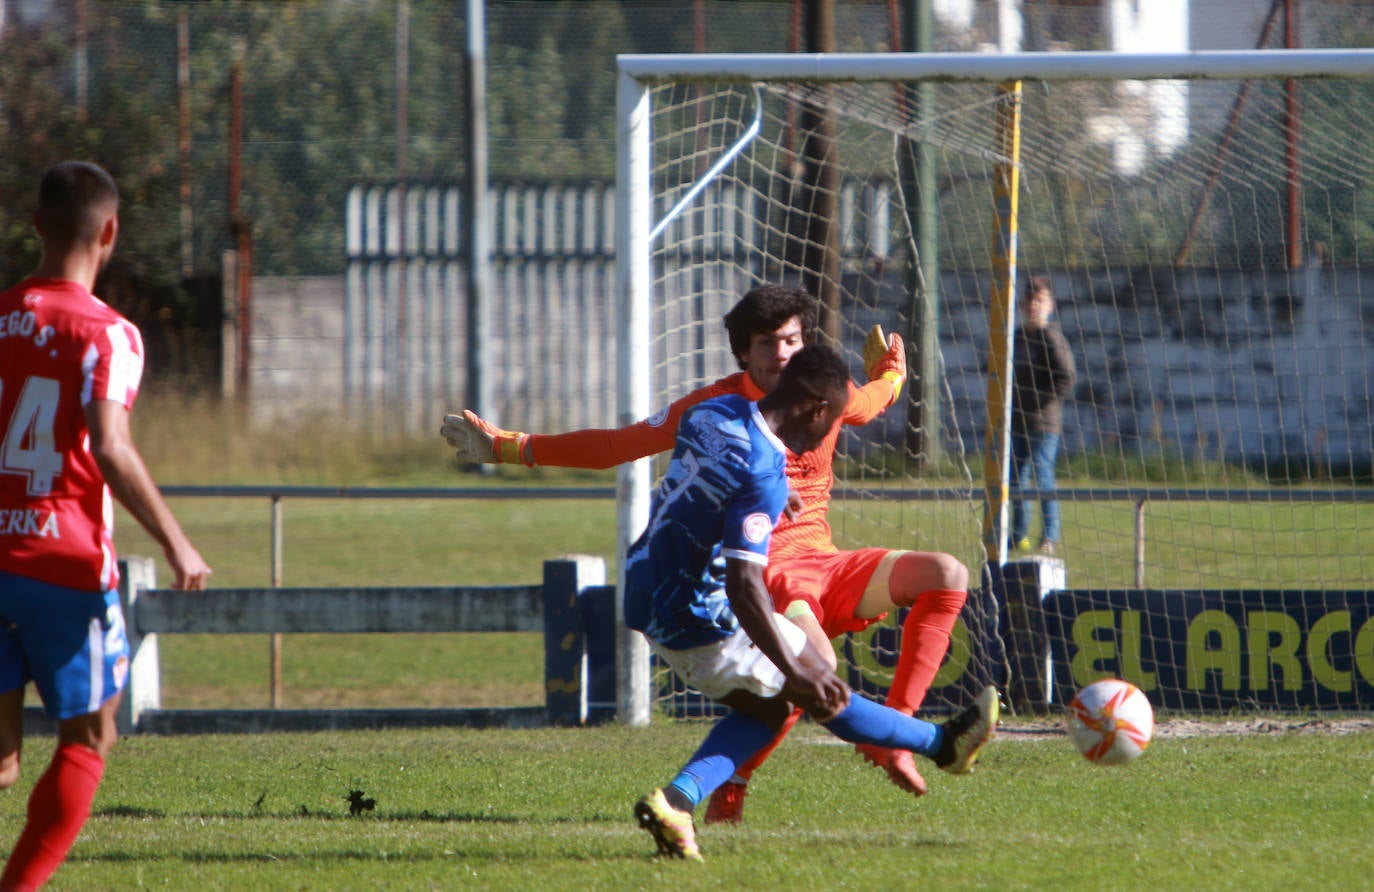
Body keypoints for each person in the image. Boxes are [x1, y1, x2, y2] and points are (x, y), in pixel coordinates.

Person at [442, 284, 971, 822]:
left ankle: (898, 737)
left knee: (946, 573)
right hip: (762, 568)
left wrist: (892, 375)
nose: (781, 354)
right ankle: (729, 788)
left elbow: (869, 403)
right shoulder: (714, 408)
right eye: (766, 343)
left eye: (791, 340)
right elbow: (615, 446)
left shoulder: (819, 393)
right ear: (742, 351)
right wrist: (511, 447)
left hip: (822, 557)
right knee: (810, 671)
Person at [620, 343, 997, 861]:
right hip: (698, 616)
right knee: (816, 680)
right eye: (833, 421)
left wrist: (774, 489)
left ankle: (676, 803)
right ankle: (941, 744)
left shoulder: (713, 413)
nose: (827, 439)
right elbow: (745, 586)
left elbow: (711, 472)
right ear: (818, 410)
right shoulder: (761, 475)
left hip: (643, 585)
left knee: (771, 709)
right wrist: (794, 670)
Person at [0, 161, 212, 890]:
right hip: (61, 562)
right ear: (111, 232)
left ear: (36, 225)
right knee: (90, 735)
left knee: (1, 759)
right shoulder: (108, 334)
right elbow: (111, 446)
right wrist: (176, 542)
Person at [1009, 276, 1077, 556]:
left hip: (1043, 423)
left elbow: (1067, 377)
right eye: (1030, 300)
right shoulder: (1016, 337)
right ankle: (1018, 535)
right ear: (1022, 304)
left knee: (1043, 476)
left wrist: (1038, 400)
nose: (1033, 305)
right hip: (1016, 421)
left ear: (1050, 306)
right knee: (1015, 480)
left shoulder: (1051, 338)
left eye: (1040, 300)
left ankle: (1050, 536)